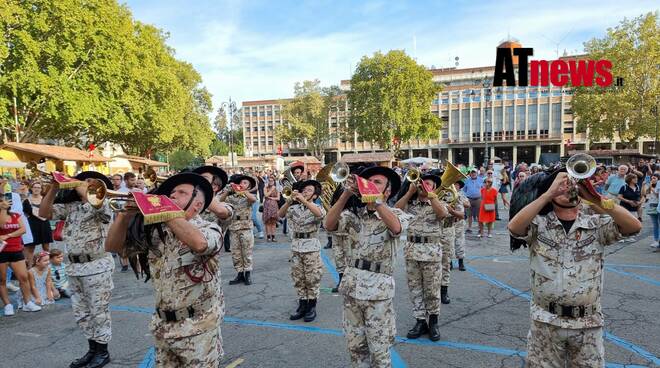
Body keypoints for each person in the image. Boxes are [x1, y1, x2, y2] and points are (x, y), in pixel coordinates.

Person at [508, 172, 641, 368]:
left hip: (587, 324)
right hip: (546, 322)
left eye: (571, 185)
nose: (566, 189)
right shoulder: (540, 224)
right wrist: (547, 194)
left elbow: (634, 226)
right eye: (560, 186)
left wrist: (596, 199)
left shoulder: (596, 224)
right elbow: (514, 227)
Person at [105, 172, 225, 367]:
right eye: (172, 192)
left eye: (182, 192)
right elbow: (113, 247)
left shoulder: (209, 229)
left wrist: (163, 209)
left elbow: (200, 244)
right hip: (163, 327)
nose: (172, 195)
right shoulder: (156, 232)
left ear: (197, 205)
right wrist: (124, 216)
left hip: (198, 330)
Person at [325, 166, 409, 368]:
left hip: (378, 294)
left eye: (377, 182)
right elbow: (329, 224)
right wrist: (346, 192)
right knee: (356, 348)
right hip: (352, 289)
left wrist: (376, 201)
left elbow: (396, 227)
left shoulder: (397, 214)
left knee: (380, 352)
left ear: (387, 191)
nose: (370, 184)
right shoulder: (354, 216)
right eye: (368, 181)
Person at [39, 171, 114, 368]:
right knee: (82, 313)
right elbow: (43, 213)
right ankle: (92, 350)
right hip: (74, 268)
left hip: (97, 267)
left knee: (99, 312)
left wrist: (78, 184)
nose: (84, 183)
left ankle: (103, 351)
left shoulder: (103, 205)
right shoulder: (71, 207)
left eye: (90, 181)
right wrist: (55, 187)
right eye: (84, 180)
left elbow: (100, 208)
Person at [394, 173, 448, 341]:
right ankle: (419, 321)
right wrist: (410, 192)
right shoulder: (410, 204)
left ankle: (433, 322)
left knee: (432, 289)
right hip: (412, 251)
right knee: (415, 289)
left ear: (434, 187)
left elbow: (442, 215)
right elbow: (396, 210)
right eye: (422, 184)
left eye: (429, 184)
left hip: (431, 252)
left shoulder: (438, 202)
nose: (425, 186)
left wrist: (431, 196)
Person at [277, 179, 325, 322]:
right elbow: (280, 214)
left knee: (312, 277)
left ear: (315, 196)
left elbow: (320, 215)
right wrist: (288, 201)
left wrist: (304, 201)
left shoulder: (317, 207)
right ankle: (302, 304)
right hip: (296, 246)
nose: (305, 191)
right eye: (304, 190)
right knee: (298, 277)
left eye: (309, 190)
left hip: (311, 246)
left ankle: (311, 306)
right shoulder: (294, 208)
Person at [0, 195, 42, 315]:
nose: (4, 203)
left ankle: (27, 302)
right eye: (1, 201)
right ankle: (8, 305)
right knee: (2, 280)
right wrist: (2, 210)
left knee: (23, 277)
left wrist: (8, 236)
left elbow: (22, 230)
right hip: (2, 251)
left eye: (5, 201)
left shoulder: (15, 215)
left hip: (16, 250)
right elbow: (2, 225)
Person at [219, 174, 257, 285]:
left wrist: (243, 191)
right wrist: (228, 190)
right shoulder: (231, 197)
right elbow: (220, 201)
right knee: (235, 252)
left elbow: (253, 199)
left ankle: (248, 273)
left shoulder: (248, 196)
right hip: (234, 226)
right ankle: (239, 273)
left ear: (249, 186)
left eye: (245, 183)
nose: (242, 184)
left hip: (245, 226)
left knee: (247, 251)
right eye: (241, 183)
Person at [22, 181, 53, 267]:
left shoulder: (45, 199)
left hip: (44, 224)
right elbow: (26, 214)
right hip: (32, 225)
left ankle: (48, 265)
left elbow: (50, 211)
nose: (36, 189)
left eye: (38, 187)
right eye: (34, 187)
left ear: (41, 189)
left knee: (46, 247)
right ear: (31, 189)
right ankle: (30, 267)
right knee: (31, 248)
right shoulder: (26, 201)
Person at [453, 181, 470, 272]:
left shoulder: (461, 194)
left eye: (457, 185)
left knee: (460, 242)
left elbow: (468, 204)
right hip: (449, 222)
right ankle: (449, 262)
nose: (455, 186)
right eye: (454, 184)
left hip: (459, 222)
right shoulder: (447, 194)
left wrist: (459, 199)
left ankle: (461, 262)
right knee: (449, 242)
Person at [262, 176, 280, 242]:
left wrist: (271, 198)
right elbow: (266, 195)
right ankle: (268, 236)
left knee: (273, 222)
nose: (271, 182)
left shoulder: (277, 188)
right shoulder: (265, 187)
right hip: (267, 205)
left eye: (272, 181)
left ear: (274, 181)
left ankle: (273, 236)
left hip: (274, 205)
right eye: (269, 180)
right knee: (267, 221)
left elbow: (278, 198)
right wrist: (271, 190)